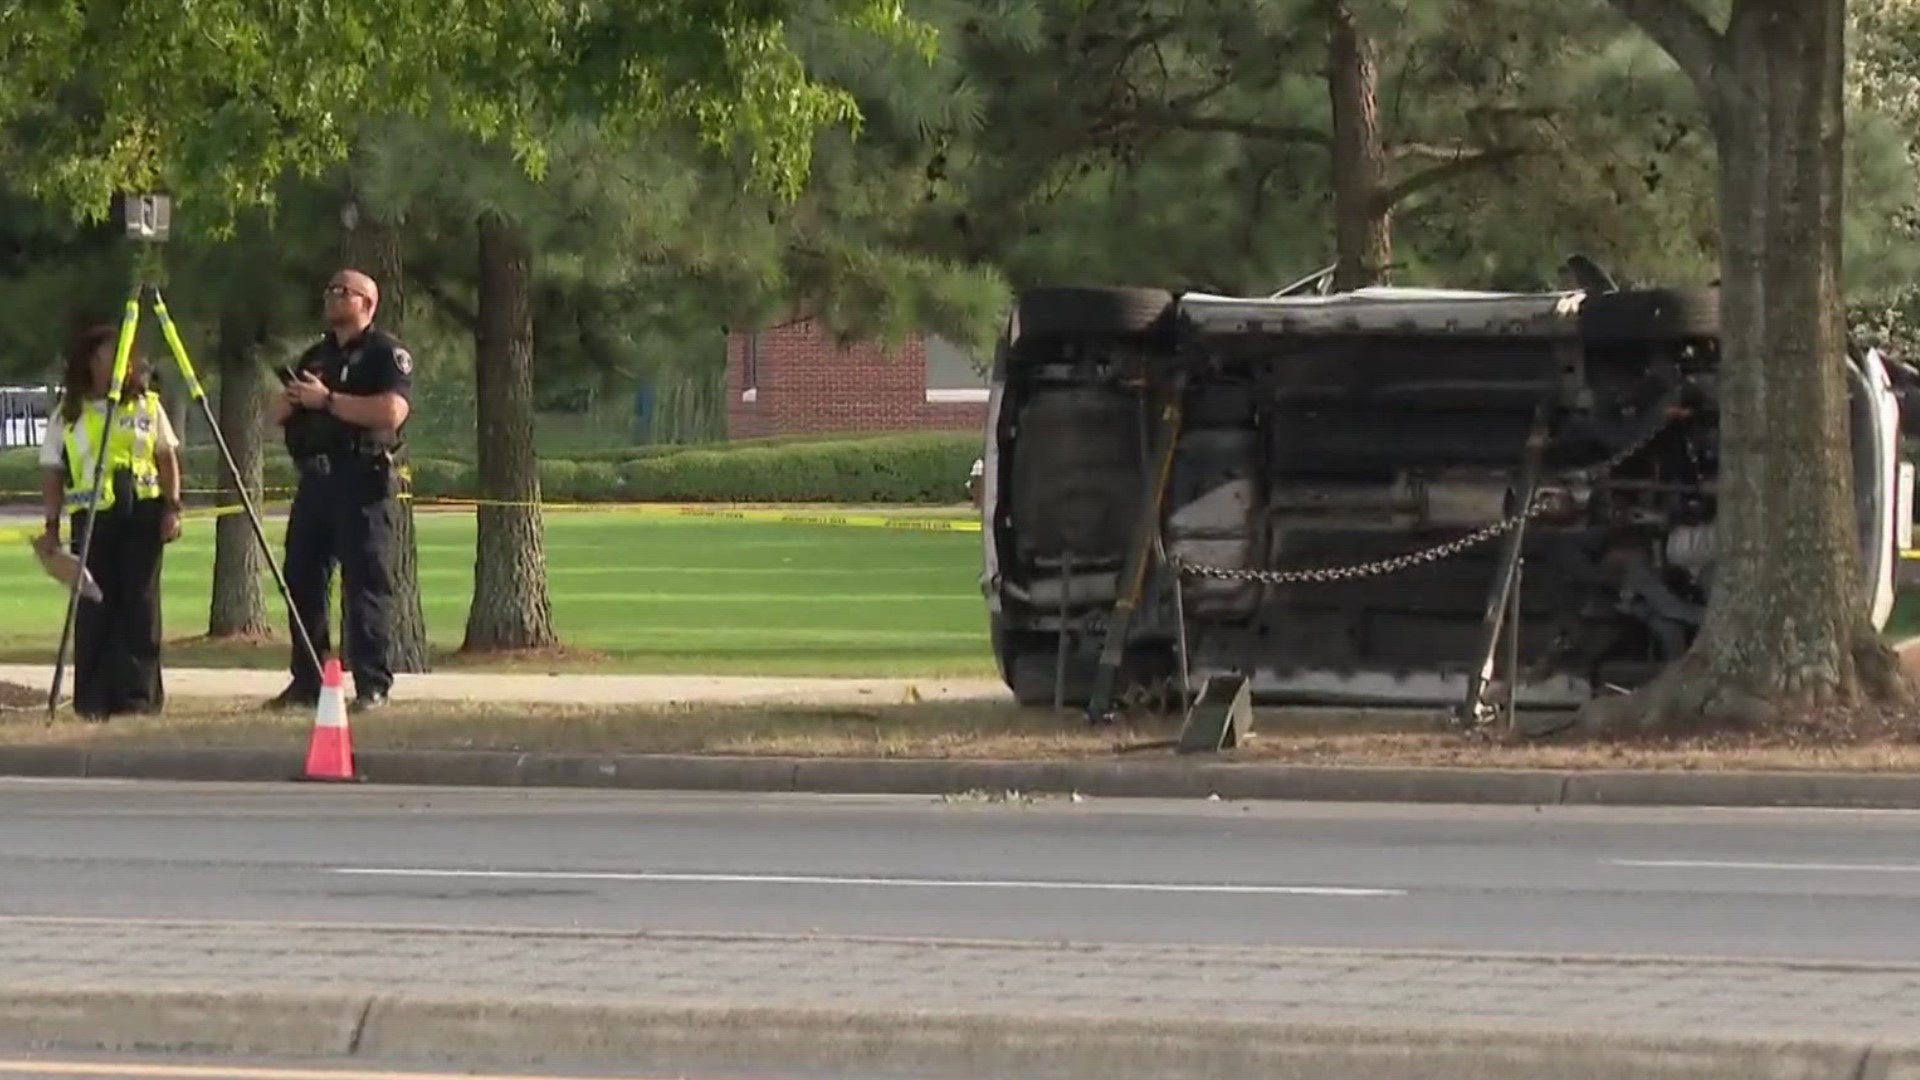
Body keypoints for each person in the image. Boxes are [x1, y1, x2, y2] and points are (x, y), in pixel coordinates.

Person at [267, 269, 413, 713]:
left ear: (368, 303)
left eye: (343, 292)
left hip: (361, 478)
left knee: (366, 582)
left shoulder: (384, 354)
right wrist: (291, 400)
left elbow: (392, 411)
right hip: (316, 481)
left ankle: (372, 683)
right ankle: (307, 680)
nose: (332, 297)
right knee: (302, 578)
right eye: (328, 289)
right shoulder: (315, 357)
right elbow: (273, 418)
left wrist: (328, 401)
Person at [38, 324, 185, 721]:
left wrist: (173, 507)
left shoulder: (148, 407)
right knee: (95, 605)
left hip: (142, 513)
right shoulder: (68, 415)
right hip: (94, 518)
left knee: (141, 605)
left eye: (125, 357)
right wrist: (52, 527)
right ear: (90, 363)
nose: (120, 366)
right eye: (108, 357)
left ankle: (138, 698)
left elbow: (166, 458)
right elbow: (52, 471)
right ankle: (94, 699)